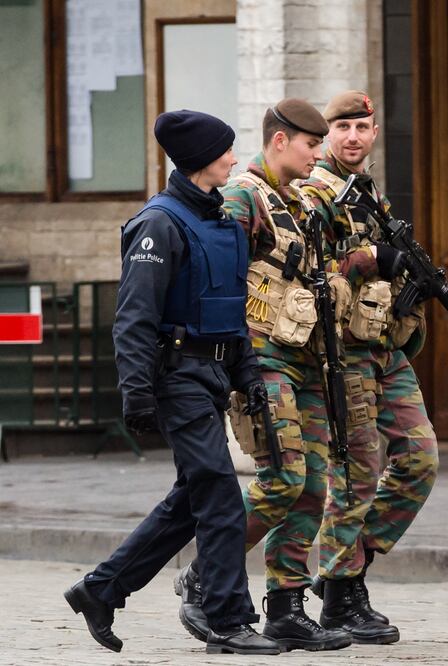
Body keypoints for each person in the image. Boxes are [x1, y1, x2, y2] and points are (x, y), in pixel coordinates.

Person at [63, 110, 280, 655]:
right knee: (222, 495)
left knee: (193, 496)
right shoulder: (157, 225)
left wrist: (247, 375)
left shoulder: (226, 225)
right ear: (204, 158)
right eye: (227, 151)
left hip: (212, 374)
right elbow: (134, 319)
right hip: (176, 377)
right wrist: (136, 393)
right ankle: (228, 620)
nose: (235, 158)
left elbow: (233, 314)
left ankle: (101, 589)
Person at [173, 99, 352, 652]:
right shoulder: (242, 196)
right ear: (280, 142)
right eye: (310, 145)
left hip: (308, 359)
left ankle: (286, 606)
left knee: (313, 484)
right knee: (282, 479)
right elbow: (216, 273)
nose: (317, 154)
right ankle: (207, 577)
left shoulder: (297, 200)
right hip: (262, 358)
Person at [296, 89, 438, 645]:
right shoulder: (315, 190)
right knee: (355, 474)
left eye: (362, 127)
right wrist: (370, 259)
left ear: (375, 132)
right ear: (327, 134)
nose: (352, 136)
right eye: (342, 127)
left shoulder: (370, 192)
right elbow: (304, 263)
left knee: (420, 459)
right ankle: (340, 597)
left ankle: (344, 567)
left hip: (385, 348)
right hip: (343, 353)